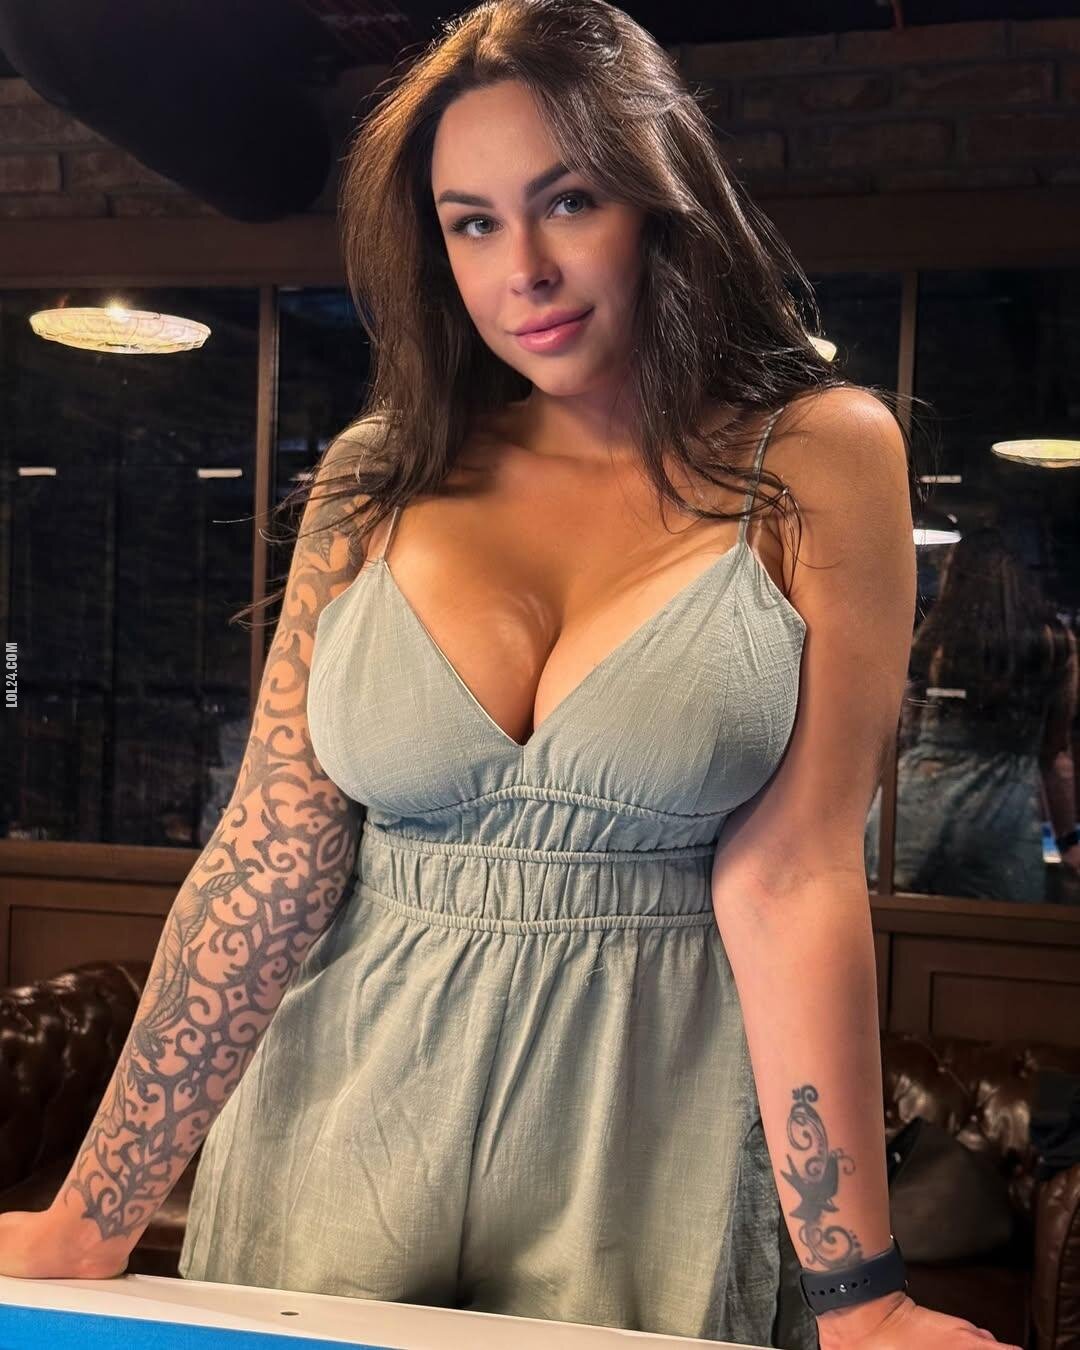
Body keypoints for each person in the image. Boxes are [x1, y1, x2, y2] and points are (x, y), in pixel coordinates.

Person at [0, 2, 1018, 1348]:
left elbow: (790, 877)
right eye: (472, 223)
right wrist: (93, 1212)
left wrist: (862, 1292)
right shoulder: (377, 477)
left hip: (645, 1126)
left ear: (662, 200)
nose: (522, 268)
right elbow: (270, 857)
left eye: (568, 201)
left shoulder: (823, 456)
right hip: (341, 1115)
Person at [865, 527, 1080, 903]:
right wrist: (1069, 842)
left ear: (955, 579)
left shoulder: (931, 644)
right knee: (996, 937)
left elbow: (899, 733)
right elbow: (1054, 758)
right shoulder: (1052, 645)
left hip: (908, 815)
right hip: (1001, 827)